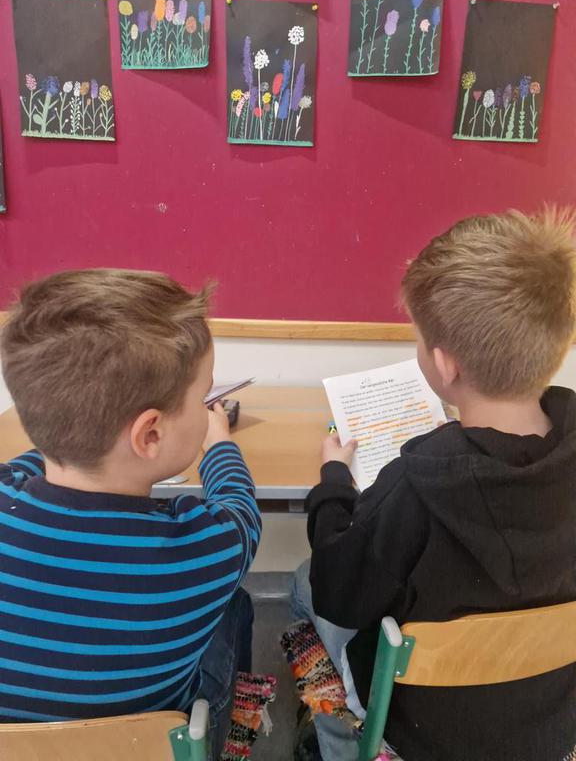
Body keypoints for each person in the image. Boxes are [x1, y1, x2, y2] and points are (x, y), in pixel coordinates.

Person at [292, 208, 576, 761]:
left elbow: (338, 591)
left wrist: (332, 483)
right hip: (551, 719)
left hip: (425, 731)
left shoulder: (415, 486)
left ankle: (339, 742)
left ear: (445, 366)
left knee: (305, 585)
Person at [0, 269, 261, 760]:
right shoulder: (206, 548)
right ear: (150, 435)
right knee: (236, 603)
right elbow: (241, 510)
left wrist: (64, 437)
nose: (208, 408)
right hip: (150, 745)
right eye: (203, 398)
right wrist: (219, 445)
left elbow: (17, 469)